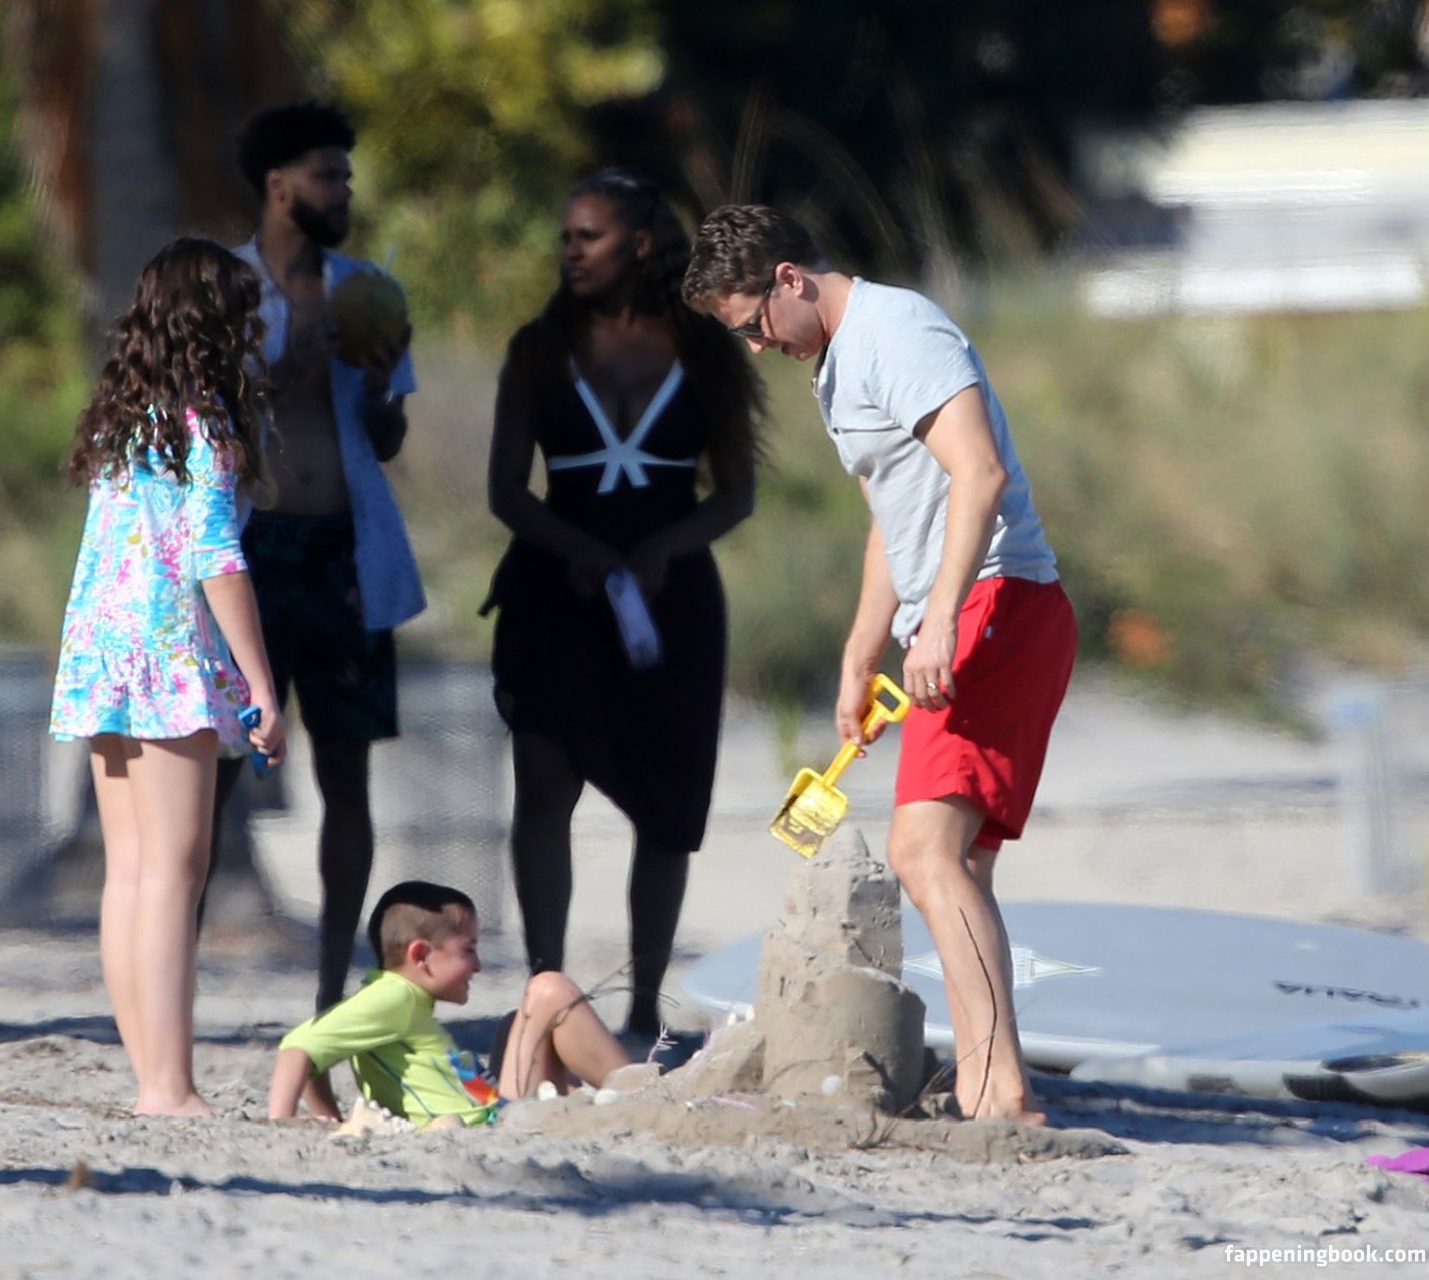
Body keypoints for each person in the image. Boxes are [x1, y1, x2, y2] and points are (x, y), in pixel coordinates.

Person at [683, 205, 1077, 1124]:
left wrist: (938, 622)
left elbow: (979, 473)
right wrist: (861, 657)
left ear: (789, 278)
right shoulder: (835, 369)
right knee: (957, 862)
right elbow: (890, 522)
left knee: (922, 852)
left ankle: (999, 1088)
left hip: (998, 599)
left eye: (752, 325)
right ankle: (987, 1084)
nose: (756, 347)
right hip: (959, 608)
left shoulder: (896, 330)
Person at [483, 169, 763, 1044]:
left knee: (667, 807)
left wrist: (658, 552)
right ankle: (548, 985)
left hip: (671, 603)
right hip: (555, 592)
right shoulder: (539, 348)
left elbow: (736, 494)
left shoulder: (704, 348)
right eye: (566, 238)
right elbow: (506, 490)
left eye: (590, 236)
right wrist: (579, 551)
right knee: (544, 789)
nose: (571, 252)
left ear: (640, 243)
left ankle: (644, 1004)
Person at [50, 237, 288, 1117]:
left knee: (130, 873)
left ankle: (151, 1076)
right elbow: (216, 556)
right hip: (168, 656)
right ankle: (168, 1086)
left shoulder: (122, 421)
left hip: (101, 652)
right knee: (175, 876)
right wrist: (259, 684)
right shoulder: (205, 427)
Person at [209, 101, 424, 1011]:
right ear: (278, 185)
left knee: (348, 775)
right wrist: (293, 359)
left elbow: (387, 436)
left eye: (346, 176)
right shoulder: (224, 290)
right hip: (249, 556)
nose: (343, 191)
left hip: (344, 556)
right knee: (216, 771)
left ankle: (333, 990)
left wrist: (373, 380)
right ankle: (176, 977)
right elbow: (202, 421)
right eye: (327, 175)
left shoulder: (369, 290)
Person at [267, 880, 629, 1128]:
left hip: (493, 1106)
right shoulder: (393, 996)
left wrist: (328, 1117)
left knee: (514, 1023)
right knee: (549, 989)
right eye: (468, 950)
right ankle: (641, 1094)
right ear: (421, 955)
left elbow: (316, 1051)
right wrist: (281, 1122)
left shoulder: (400, 998)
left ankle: (618, 1094)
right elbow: (299, 1047)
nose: (478, 965)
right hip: (496, 1122)